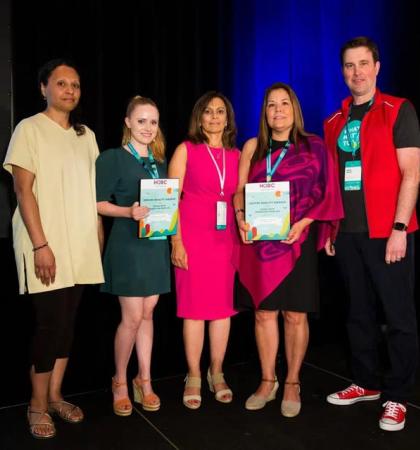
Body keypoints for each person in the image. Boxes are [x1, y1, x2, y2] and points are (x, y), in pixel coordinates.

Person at [3, 58, 104, 439]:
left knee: (67, 325)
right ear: (43, 87)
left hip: (80, 245)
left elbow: (93, 194)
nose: (70, 91)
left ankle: (57, 395)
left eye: (75, 85)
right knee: (48, 326)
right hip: (45, 244)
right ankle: (37, 405)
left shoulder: (86, 135)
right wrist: (40, 245)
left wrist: (97, 238)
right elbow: (22, 190)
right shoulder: (29, 129)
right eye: (61, 83)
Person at [323, 36, 420, 432]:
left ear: (377, 67)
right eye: (349, 66)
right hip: (348, 233)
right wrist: (330, 228)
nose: (357, 72)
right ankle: (365, 382)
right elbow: (332, 183)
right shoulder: (334, 122)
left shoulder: (399, 109)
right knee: (358, 312)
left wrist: (400, 228)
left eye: (364, 64)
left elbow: (411, 173)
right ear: (343, 71)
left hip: (388, 231)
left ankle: (397, 395)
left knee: (398, 316)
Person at [234, 82, 343, 417]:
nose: (278, 110)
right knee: (264, 313)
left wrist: (305, 223)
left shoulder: (315, 146)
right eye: (271, 105)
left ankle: (292, 381)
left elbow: (329, 192)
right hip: (260, 243)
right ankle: (268, 381)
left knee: (295, 314)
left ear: (295, 109)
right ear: (264, 113)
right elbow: (240, 191)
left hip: (296, 240)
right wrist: (240, 217)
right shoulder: (253, 146)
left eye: (284, 104)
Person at [96, 95, 170, 416]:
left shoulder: (160, 161)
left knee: (149, 313)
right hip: (127, 244)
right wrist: (128, 211)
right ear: (128, 123)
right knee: (132, 316)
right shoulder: (111, 158)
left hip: (155, 244)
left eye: (153, 122)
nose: (148, 128)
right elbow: (96, 203)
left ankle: (145, 379)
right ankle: (120, 381)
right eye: (141, 121)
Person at [169, 91, 240, 409]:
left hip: (226, 242)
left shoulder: (237, 154)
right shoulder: (186, 149)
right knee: (195, 310)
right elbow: (170, 199)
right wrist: (176, 241)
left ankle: (217, 371)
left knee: (224, 310)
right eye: (208, 111)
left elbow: (241, 196)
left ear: (228, 118)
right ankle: (194, 375)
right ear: (199, 117)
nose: (214, 116)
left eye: (220, 111)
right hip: (193, 240)